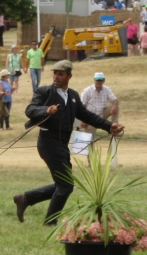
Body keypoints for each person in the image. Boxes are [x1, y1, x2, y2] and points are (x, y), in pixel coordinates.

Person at [13, 60, 124, 225]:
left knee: (63, 184)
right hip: (48, 142)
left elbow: (86, 115)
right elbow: (30, 110)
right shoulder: (44, 92)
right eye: (55, 73)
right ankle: (50, 222)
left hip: (63, 143)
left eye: (61, 74)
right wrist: (46, 110)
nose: (57, 77)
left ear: (69, 76)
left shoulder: (73, 96)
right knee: (66, 186)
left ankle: (25, 198)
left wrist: (109, 126)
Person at [79, 72, 119, 156]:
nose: (99, 82)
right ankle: (91, 162)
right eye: (97, 80)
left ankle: (114, 128)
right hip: (90, 117)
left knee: (116, 107)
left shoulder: (106, 89)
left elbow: (115, 100)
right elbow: (81, 106)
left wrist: (114, 106)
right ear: (94, 80)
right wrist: (83, 120)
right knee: (90, 140)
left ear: (103, 81)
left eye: (101, 80)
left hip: (101, 114)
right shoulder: (87, 91)